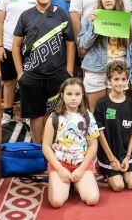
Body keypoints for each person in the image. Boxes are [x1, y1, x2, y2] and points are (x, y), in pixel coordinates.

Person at [12, 0, 76, 144]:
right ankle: (38, 148)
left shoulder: (62, 14)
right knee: (36, 115)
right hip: (32, 76)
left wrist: (68, 71)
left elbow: (70, 44)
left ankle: (50, 150)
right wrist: (20, 73)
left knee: (53, 114)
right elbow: (16, 46)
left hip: (57, 75)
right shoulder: (26, 16)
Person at [76, 0, 132, 112]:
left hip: (119, 68)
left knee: (114, 112)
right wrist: (94, 26)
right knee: (94, 111)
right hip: (96, 67)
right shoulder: (91, 17)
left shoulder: (127, 19)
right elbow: (83, 45)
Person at [42, 78, 100, 208]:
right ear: (62, 95)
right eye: (69, 94)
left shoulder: (88, 117)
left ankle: (76, 182)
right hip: (60, 164)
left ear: (82, 96)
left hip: (81, 164)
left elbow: (93, 145)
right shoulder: (54, 117)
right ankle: (60, 182)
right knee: (56, 202)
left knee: (92, 199)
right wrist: (60, 169)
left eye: (77, 94)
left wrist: (82, 169)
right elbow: (46, 146)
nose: (73, 98)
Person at [0, 0, 36, 122]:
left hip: (31, 48)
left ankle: (28, 112)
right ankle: (8, 111)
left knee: (29, 82)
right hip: (8, 46)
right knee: (9, 81)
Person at [94, 61, 132, 192]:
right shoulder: (102, 104)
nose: (120, 83)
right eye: (116, 79)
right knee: (118, 186)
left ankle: (124, 167)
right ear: (109, 80)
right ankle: (102, 166)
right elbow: (100, 134)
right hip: (108, 155)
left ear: (127, 80)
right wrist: (112, 159)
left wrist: (127, 157)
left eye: (123, 79)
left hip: (126, 154)